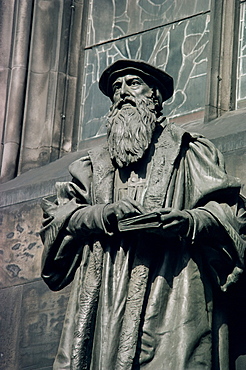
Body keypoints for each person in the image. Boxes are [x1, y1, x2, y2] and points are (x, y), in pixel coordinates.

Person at [40, 59, 246, 369]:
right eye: (116, 88)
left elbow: (230, 214)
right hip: (106, 293)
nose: (122, 92)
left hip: (172, 284)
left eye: (133, 83)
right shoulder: (92, 166)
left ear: (155, 96)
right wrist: (103, 215)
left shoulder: (189, 152)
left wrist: (187, 222)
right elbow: (59, 217)